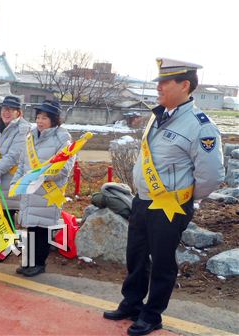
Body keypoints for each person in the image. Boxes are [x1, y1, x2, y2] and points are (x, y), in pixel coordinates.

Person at [103, 58, 225, 336]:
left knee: (161, 261)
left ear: (184, 85)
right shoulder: (158, 116)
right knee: (135, 255)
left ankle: (152, 314)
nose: (158, 87)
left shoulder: (200, 126)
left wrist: (185, 198)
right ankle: (132, 303)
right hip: (143, 200)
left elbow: (212, 175)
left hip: (170, 206)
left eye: (164, 82)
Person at [10, 100, 74, 277]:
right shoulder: (31, 136)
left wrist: (41, 177)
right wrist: (17, 182)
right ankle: (28, 262)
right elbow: (23, 163)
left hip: (48, 191)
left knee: (43, 228)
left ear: (54, 119)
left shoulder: (62, 138)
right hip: (31, 191)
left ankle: (39, 263)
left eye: (44, 118)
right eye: (38, 117)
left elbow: (64, 168)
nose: (40, 121)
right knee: (31, 228)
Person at [0, 96, 30, 225]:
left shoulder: (23, 129)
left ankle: (7, 246)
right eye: (4, 109)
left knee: (6, 223)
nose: (6, 112)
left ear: (18, 113)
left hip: (9, 181)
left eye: (11, 109)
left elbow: (14, 156)